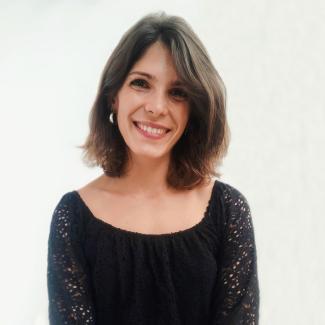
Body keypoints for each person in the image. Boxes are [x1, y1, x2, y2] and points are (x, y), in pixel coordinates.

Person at [47, 11, 260, 324]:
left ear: (195, 109)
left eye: (177, 93)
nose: (157, 107)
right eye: (141, 83)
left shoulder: (227, 211)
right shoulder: (73, 218)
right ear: (113, 97)